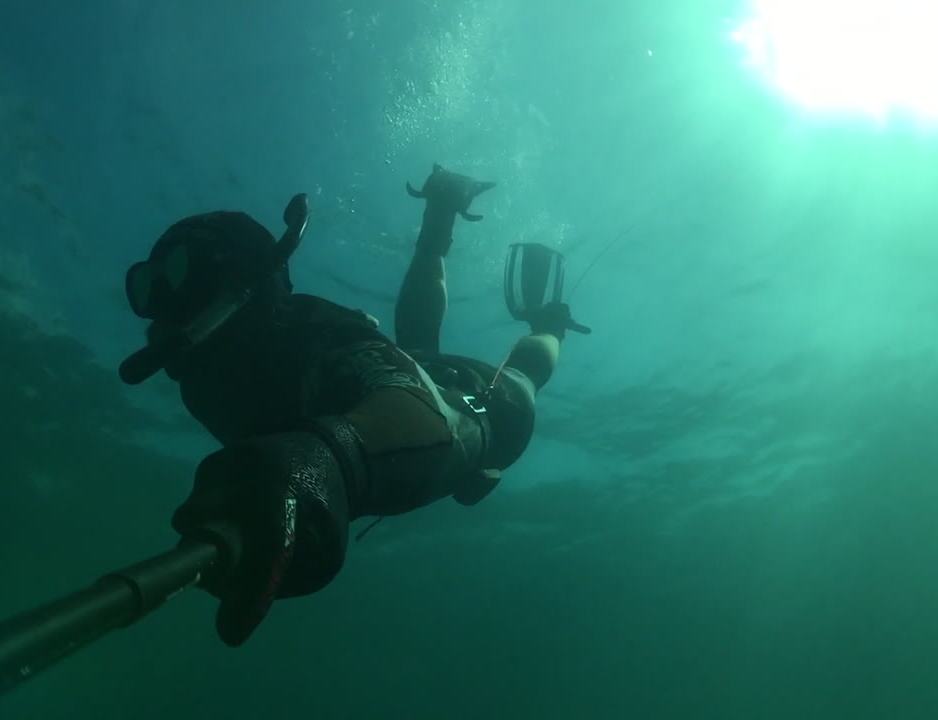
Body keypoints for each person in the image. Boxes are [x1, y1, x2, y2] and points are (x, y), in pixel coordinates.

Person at [118, 164, 587, 647]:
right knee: (420, 346)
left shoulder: (317, 339)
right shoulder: (204, 387)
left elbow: (419, 412)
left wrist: (329, 457)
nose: (156, 307)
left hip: (479, 411)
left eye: (177, 274)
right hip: (405, 379)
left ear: (241, 281)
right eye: (145, 285)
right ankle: (441, 213)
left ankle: (548, 324)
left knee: (520, 378)